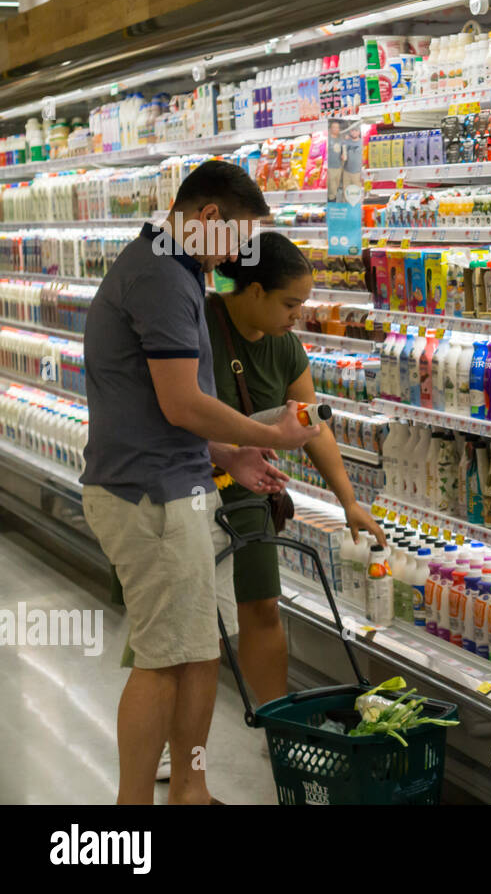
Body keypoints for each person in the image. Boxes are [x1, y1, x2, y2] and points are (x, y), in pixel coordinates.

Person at [81, 159, 322, 804]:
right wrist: (266, 436)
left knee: (198, 653)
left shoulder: (175, 269)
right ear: (209, 219)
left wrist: (228, 455)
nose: (244, 257)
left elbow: (168, 407)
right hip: (149, 496)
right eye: (240, 239)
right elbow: (181, 401)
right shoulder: (161, 276)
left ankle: (189, 788)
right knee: (163, 662)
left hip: (177, 483)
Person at [205, 231, 386, 705]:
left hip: (249, 494)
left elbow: (312, 424)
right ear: (256, 291)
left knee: (263, 607)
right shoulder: (198, 325)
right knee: (186, 618)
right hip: (187, 489)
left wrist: (350, 501)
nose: (297, 315)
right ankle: (172, 741)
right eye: (291, 303)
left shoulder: (285, 347)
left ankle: (274, 725)